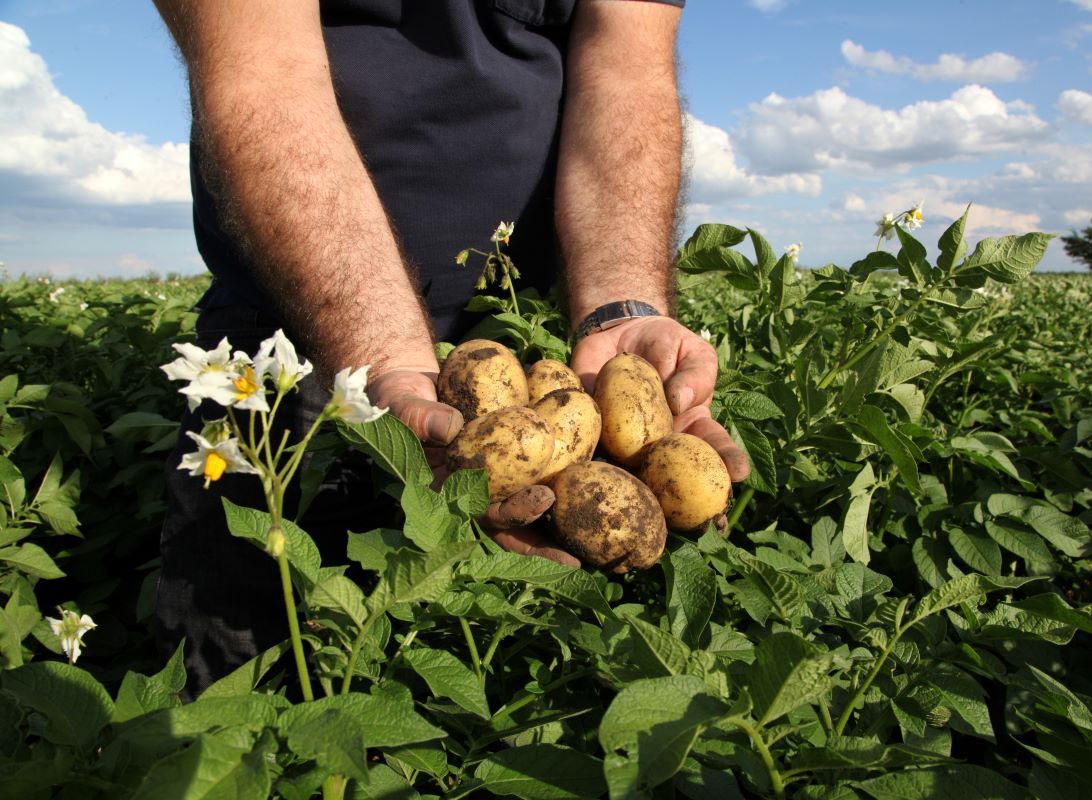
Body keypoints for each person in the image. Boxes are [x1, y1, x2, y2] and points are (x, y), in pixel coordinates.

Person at [152, 0, 750, 693]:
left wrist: (621, 306)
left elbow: (627, 70)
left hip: (517, 336)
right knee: (241, 662)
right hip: (293, 347)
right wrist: (383, 346)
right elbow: (260, 75)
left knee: (473, 679)